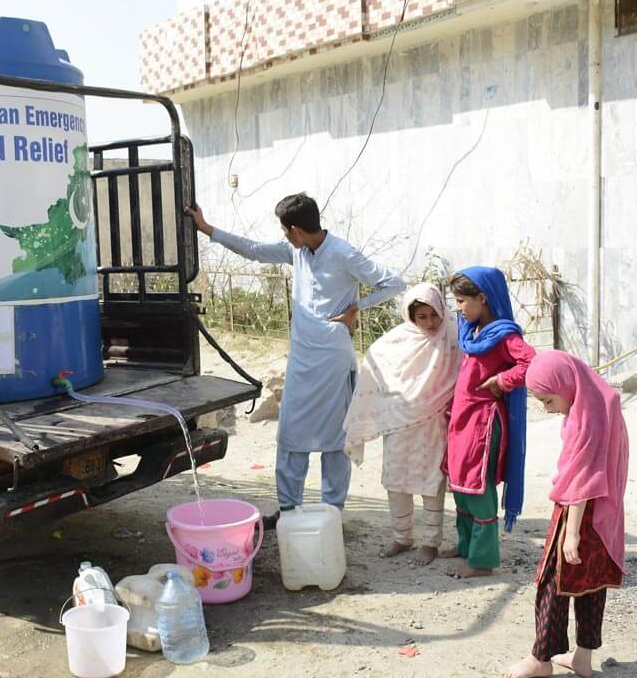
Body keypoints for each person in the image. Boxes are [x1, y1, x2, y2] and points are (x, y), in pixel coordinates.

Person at [185, 193, 404, 528]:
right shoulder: (296, 251)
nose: (285, 236)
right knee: (290, 434)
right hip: (302, 358)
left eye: (286, 230)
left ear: (297, 229)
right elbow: (255, 251)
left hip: (333, 357)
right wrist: (207, 228)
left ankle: (333, 512)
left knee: (335, 438)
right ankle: (288, 509)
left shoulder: (344, 254)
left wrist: (355, 309)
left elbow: (394, 283)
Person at [505, 350, 629, 678]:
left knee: (552, 583)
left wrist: (571, 532)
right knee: (591, 583)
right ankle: (582, 659)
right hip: (602, 514)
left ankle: (540, 661)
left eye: (547, 400)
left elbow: (583, 479)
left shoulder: (587, 418)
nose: (547, 409)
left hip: (579, 512)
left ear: (566, 383)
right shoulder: (600, 402)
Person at [343, 283, 461, 565]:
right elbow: (374, 364)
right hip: (399, 422)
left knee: (431, 481)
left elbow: (462, 373)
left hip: (434, 422)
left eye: (434, 315)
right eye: (422, 317)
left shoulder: (452, 335)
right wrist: (390, 402)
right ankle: (402, 536)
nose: (430, 323)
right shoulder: (395, 341)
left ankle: (431, 542)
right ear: (411, 316)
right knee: (396, 480)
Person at [445, 267, 535, 578]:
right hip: (462, 418)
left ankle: (482, 561)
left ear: (482, 298)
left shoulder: (503, 335)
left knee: (477, 486)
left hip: (483, 423)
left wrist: (502, 380)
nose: (458, 308)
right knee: (460, 485)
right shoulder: (470, 332)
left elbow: (531, 362)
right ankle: (466, 545)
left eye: (462, 301)